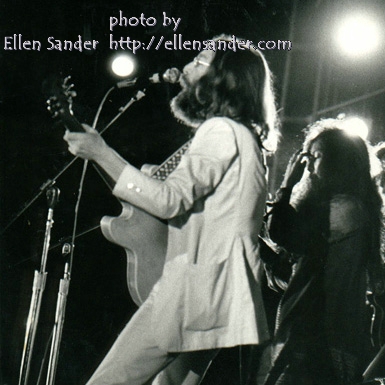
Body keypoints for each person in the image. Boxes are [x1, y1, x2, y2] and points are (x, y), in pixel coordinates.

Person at [64, 35, 280, 385]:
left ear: (224, 78)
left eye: (200, 60)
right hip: (219, 293)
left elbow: (168, 200)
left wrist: (101, 152)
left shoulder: (220, 130)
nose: (187, 67)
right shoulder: (245, 137)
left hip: (194, 292)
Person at [259, 119, 385, 385]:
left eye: (315, 157)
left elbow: (286, 234)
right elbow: (296, 276)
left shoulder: (346, 209)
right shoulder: (345, 209)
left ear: (338, 164)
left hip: (321, 338)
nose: (308, 167)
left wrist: (287, 184)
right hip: (312, 336)